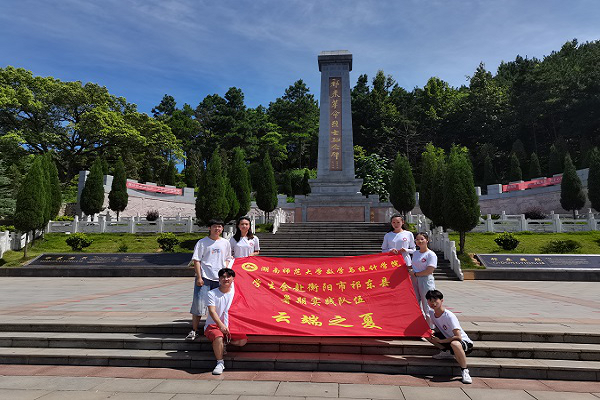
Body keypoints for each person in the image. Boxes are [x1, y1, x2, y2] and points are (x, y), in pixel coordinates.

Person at [186, 219, 232, 341]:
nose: (218, 229)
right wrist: (199, 277)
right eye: (215, 226)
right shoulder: (202, 242)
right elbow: (197, 260)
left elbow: (228, 258)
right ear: (209, 228)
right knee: (198, 305)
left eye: (220, 227)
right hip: (205, 278)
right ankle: (194, 330)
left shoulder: (225, 243)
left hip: (219, 279)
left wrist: (225, 273)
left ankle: (219, 328)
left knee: (219, 306)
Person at [205, 267, 248, 375]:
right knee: (218, 337)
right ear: (219, 279)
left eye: (229, 276)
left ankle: (224, 343)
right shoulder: (212, 293)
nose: (226, 279)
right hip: (214, 325)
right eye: (223, 277)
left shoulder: (236, 294)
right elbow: (212, 312)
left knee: (242, 341)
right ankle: (220, 362)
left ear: (233, 278)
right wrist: (221, 325)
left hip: (232, 325)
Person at [425, 289, 474, 384]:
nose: (433, 303)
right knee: (426, 333)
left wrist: (441, 341)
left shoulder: (449, 316)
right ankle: (446, 352)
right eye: (430, 301)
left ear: (441, 300)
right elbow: (439, 329)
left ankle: (464, 370)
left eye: (435, 300)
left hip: (464, 343)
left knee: (455, 343)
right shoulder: (432, 314)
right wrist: (432, 333)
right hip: (449, 341)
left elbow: (458, 337)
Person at [409, 232, 437, 327]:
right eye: (417, 239)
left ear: (427, 240)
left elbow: (429, 270)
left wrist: (416, 274)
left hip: (425, 280)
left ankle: (430, 328)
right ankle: (420, 326)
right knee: (416, 303)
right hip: (414, 280)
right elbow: (412, 265)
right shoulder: (416, 253)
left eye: (422, 239)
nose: (419, 241)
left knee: (427, 304)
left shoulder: (431, 254)